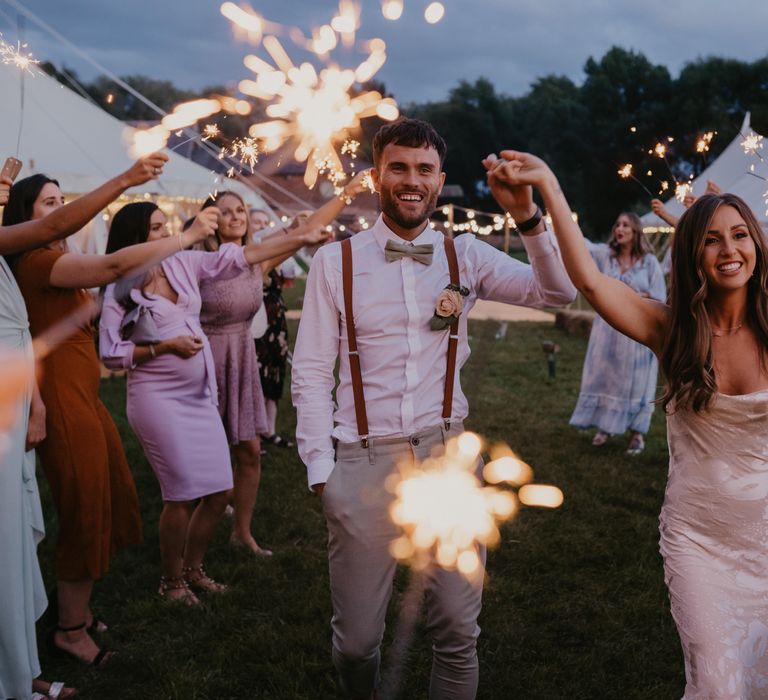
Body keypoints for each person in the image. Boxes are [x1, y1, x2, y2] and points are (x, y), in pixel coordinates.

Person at [291, 118, 575, 700]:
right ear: (377, 176)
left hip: (446, 456)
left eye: (424, 170)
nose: (412, 181)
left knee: (456, 629)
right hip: (361, 461)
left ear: (440, 180)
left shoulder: (464, 255)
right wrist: (323, 472)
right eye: (399, 167)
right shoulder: (335, 264)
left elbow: (557, 293)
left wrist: (527, 217)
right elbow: (313, 372)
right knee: (357, 643)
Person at [488, 149, 768, 698]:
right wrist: (545, 182)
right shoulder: (672, 330)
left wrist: (703, 218)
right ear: (691, 256)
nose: (729, 249)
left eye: (740, 235)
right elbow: (591, 281)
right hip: (700, 542)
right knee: (717, 682)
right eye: (711, 240)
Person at [3, 163, 212, 669]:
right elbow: (115, 267)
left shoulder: (58, 257)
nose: (60, 209)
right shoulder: (36, 262)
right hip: (62, 397)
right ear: (27, 217)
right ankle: (70, 630)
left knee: (108, 495)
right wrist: (183, 236)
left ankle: (80, 608)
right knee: (83, 508)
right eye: (49, 203)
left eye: (59, 199)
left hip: (85, 395)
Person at [100, 200, 331, 596]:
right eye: (155, 230)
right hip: (157, 399)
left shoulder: (182, 264)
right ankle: (170, 582)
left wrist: (298, 236)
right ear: (135, 240)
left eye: (163, 227)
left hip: (200, 394)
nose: (165, 235)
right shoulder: (119, 290)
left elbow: (239, 255)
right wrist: (163, 347)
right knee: (180, 495)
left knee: (220, 489)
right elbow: (109, 353)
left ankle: (194, 569)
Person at [199, 183, 367, 557]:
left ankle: (241, 532)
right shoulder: (196, 261)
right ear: (209, 219)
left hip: (242, 359)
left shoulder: (256, 259)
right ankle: (196, 522)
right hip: (204, 363)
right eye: (225, 211)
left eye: (240, 210)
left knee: (251, 452)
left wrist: (348, 193)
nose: (236, 216)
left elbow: (299, 234)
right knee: (207, 459)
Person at [569, 212, 665, 455]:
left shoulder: (649, 262)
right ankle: (605, 426)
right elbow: (583, 247)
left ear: (636, 232)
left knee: (636, 384)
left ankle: (636, 435)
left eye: (626, 225)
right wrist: (565, 222)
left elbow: (660, 298)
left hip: (637, 331)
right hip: (607, 331)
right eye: (617, 224)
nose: (619, 229)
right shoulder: (606, 257)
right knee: (605, 377)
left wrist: (634, 297)